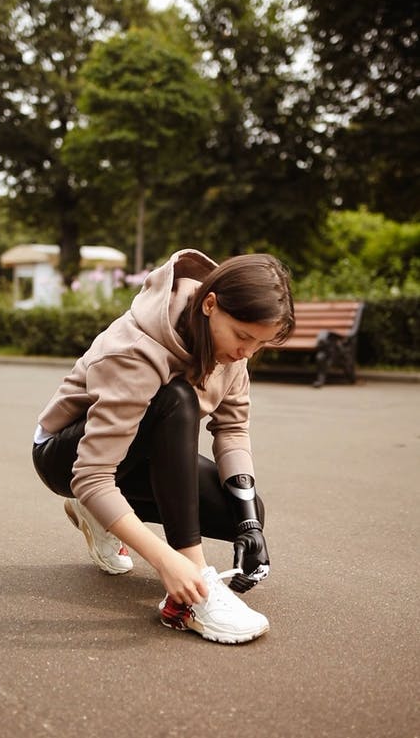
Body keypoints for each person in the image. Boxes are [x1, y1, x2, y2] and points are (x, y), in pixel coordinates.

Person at [33, 248, 294, 644]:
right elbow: (91, 474)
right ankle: (191, 594)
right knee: (176, 398)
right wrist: (166, 561)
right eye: (242, 337)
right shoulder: (135, 348)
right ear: (210, 305)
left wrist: (249, 524)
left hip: (134, 455)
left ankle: (101, 513)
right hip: (68, 456)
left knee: (242, 509)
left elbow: (233, 429)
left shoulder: (233, 350)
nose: (245, 353)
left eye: (259, 344)